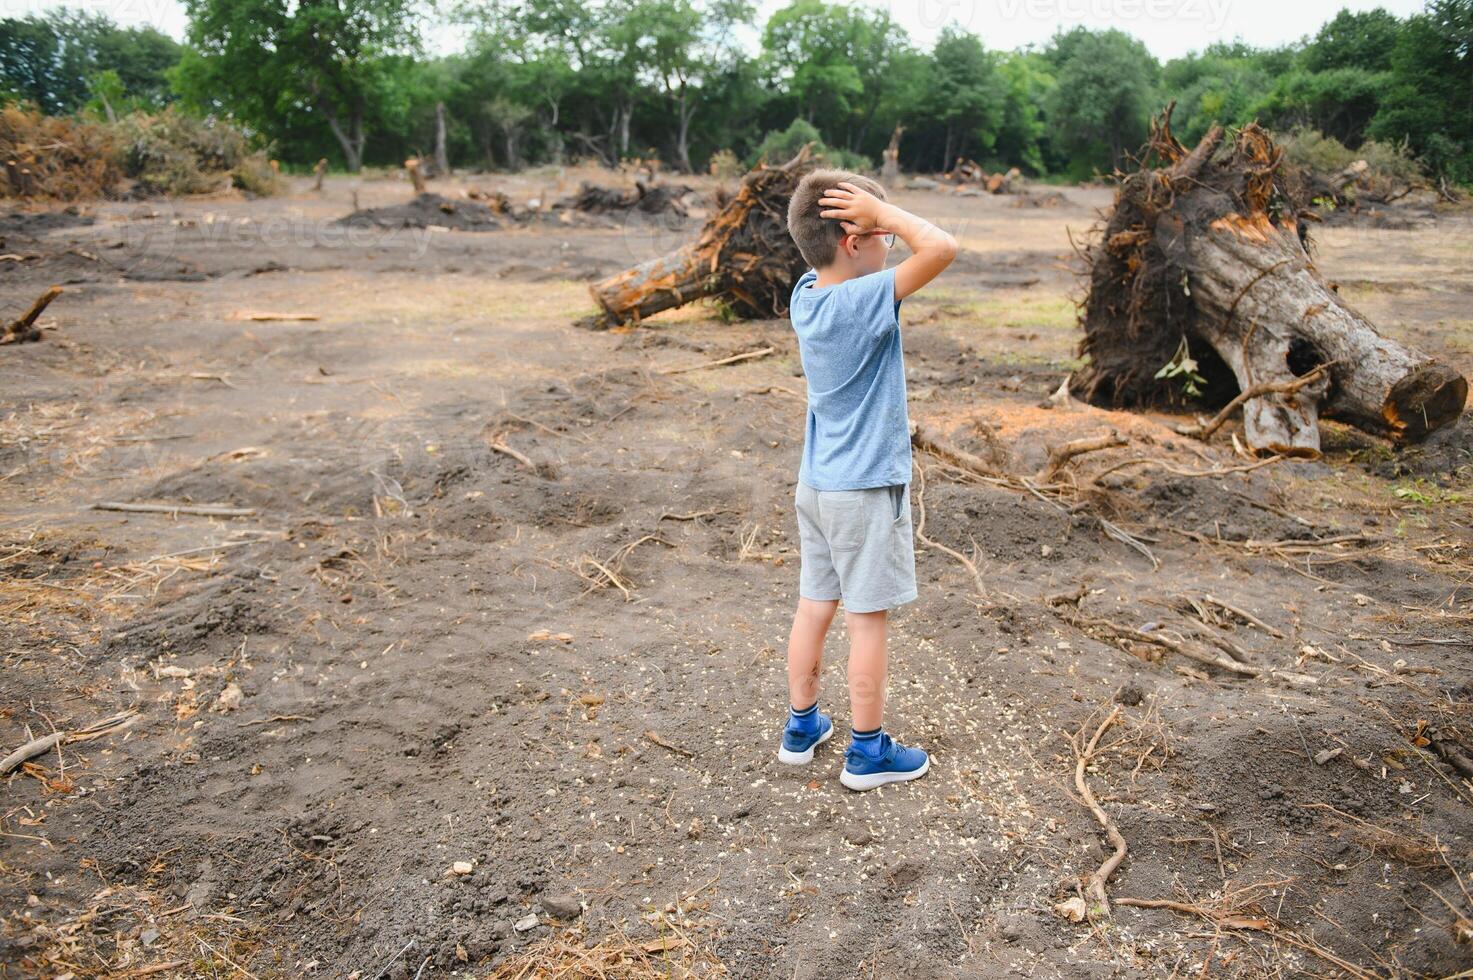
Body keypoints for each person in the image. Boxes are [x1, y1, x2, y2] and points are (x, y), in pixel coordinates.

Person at [777, 169, 958, 790]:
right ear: (853, 240)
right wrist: (888, 213)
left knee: (814, 605)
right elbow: (941, 247)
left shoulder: (807, 293)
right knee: (867, 619)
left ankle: (801, 729)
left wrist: (869, 216)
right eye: (879, 234)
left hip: (818, 485)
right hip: (860, 491)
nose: (889, 242)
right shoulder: (863, 300)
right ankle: (868, 752)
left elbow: (827, 251)